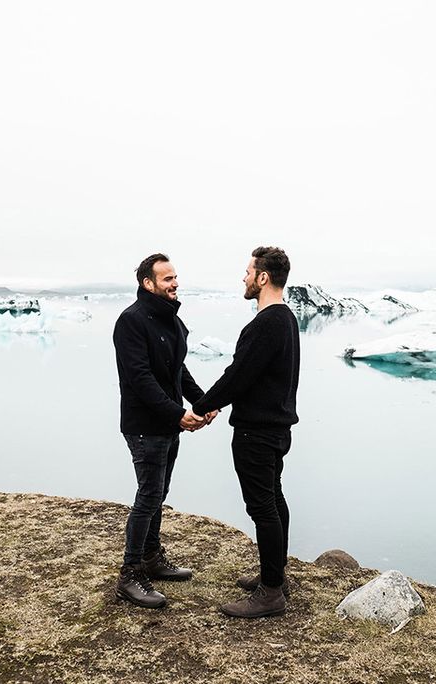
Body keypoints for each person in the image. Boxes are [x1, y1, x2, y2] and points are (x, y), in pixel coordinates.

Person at [190, 246, 300, 618]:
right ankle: (275, 576)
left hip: (257, 431)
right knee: (273, 498)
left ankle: (271, 593)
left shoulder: (266, 323)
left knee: (262, 507)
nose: (244, 278)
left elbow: (239, 375)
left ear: (263, 277)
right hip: (278, 427)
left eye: (248, 272)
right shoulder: (286, 320)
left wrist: (202, 405)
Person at [112, 253, 217, 609]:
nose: (174, 283)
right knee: (148, 494)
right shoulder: (131, 322)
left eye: (175, 277)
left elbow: (177, 372)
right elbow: (139, 378)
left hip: (167, 425)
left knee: (159, 491)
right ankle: (129, 575)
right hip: (145, 427)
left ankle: (152, 558)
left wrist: (203, 402)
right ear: (148, 283)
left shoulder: (172, 321)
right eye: (167, 278)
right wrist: (177, 414)